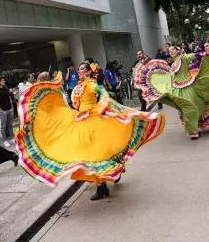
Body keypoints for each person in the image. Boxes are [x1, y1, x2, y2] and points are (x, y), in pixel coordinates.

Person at [15, 65, 165, 201]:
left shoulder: (91, 84)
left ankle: (104, 184)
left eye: (81, 69)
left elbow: (100, 91)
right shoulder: (79, 86)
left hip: (92, 120)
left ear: (87, 72)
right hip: (80, 119)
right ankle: (105, 181)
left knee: (95, 153)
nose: (79, 71)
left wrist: (104, 97)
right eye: (79, 69)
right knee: (89, 153)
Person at [134, 46, 209, 140]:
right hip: (178, 90)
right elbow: (171, 77)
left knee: (194, 107)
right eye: (169, 51)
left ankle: (194, 129)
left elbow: (197, 55)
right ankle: (194, 130)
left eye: (173, 49)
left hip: (189, 88)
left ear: (177, 51)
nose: (171, 52)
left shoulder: (183, 58)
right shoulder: (172, 64)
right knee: (186, 109)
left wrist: (206, 53)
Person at [0, 76, 14, 148]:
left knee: (10, 124)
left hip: (9, 108)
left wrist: (11, 105)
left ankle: (12, 138)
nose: (4, 81)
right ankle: (5, 140)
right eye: (2, 80)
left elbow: (8, 96)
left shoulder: (6, 87)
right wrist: (0, 109)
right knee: (3, 125)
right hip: (3, 110)